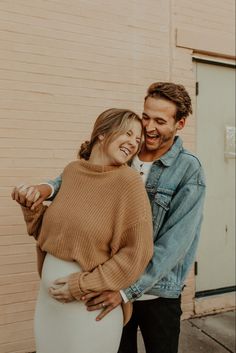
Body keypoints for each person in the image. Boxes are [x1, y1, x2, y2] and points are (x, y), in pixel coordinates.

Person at [17, 82, 206, 353]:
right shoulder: (124, 152)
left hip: (155, 292)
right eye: (146, 117)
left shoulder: (189, 170)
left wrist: (124, 291)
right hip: (107, 284)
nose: (149, 128)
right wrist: (45, 189)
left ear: (180, 124)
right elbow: (80, 179)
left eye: (160, 121)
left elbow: (174, 245)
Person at [11, 108, 154, 353]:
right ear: (102, 133)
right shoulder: (72, 171)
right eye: (128, 134)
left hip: (88, 311)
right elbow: (48, 234)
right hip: (48, 308)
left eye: (137, 140)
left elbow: (137, 254)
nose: (133, 143)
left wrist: (80, 286)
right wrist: (30, 207)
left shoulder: (128, 183)